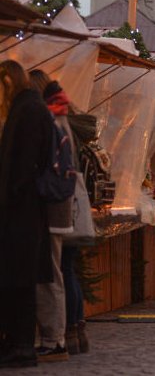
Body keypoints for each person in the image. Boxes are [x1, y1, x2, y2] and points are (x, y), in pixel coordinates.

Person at [0, 60, 56, 369]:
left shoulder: (28, 110)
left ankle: (21, 346)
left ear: (8, 82)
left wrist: (13, 193)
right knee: (17, 281)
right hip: (23, 212)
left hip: (22, 214)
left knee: (19, 281)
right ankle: (17, 344)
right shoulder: (30, 108)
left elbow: (23, 165)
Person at [29, 71, 74, 362]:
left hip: (52, 208)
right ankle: (57, 336)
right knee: (55, 274)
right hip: (60, 208)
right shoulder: (61, 118)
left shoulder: (52, 121)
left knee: (50, 276)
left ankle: (54, 339)